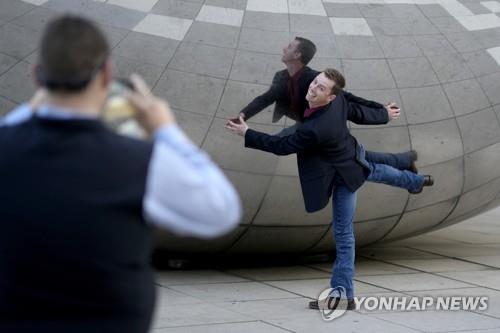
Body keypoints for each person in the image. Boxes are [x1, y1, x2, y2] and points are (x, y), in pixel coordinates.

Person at [0, 16, 241, 333]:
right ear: (106, 76)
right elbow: (221, 210)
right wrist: (164, 128)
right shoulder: (141, 161)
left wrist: (32, 108)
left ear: (36, 77)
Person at [226, 69, 433, 310]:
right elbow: (356, 106)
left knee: (345, 233)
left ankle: (343, 296)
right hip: (347, 149)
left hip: (343, 174)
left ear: (331, 97)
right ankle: (414, 176)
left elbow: (280, 146)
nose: (313, 88)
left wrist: (247, 133)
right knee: (374, 165)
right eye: (315, 83)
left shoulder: (315, 129)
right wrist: (383, 112)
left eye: (320, 88)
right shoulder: (337, 101)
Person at [235, 36, 417, 174]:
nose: (284, 48)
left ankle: (408, 173)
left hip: (320, 127)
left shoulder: (316, 80)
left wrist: (381, 110)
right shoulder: (281, 76)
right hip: (308, 125)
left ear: (297, 54)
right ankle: (404, 161)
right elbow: (266, 98)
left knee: (358, 165)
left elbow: (349, 100)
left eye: (289, 47)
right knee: (357, 157)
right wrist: (244, 114)